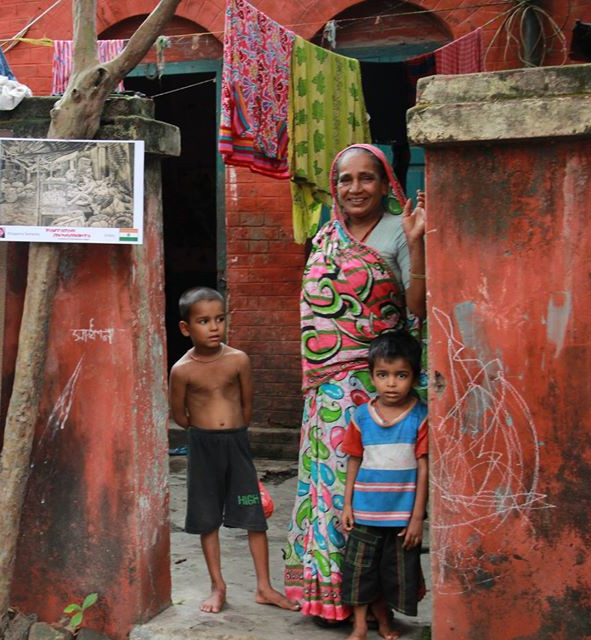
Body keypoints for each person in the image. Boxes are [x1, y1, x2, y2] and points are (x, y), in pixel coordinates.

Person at [283, 144, 426, 624]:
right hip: (327, 392)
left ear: (386, 184)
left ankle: (375, 602)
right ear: (335, 186)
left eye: (367, 178)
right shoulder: (327, 235)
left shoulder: (398, 233)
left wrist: (418, 243)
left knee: (373, 492)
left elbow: (419, 308)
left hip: (380, 389)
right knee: (328, 490)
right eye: (346, 179)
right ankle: (328, 598)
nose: (355, 188)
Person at [169, 286, 300, 614]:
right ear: (186, 328)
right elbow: (180, 417)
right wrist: (208, 429)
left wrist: (231, 432)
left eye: (219, 319)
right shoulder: (182, 370)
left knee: (253, 514)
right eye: (203, 321)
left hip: (237, 447)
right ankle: (218, 586)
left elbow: (247, 404)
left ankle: (264, 587)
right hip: (202, 449)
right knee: (207, 517)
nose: (214, 327)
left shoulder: (238, 360)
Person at [341, 330, 428, 640]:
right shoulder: (361, 417)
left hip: (402, 517)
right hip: (365, 512)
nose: (391, 383)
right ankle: (361, 625)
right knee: (359, 573)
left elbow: (423, 466)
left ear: (415, 377)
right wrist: (348, 504)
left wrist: (417, 517)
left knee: (392, 573)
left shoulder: (420, 416)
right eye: (383, 374)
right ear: (372, 377)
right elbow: (353, 459)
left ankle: (386, 621)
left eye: (401, 374)